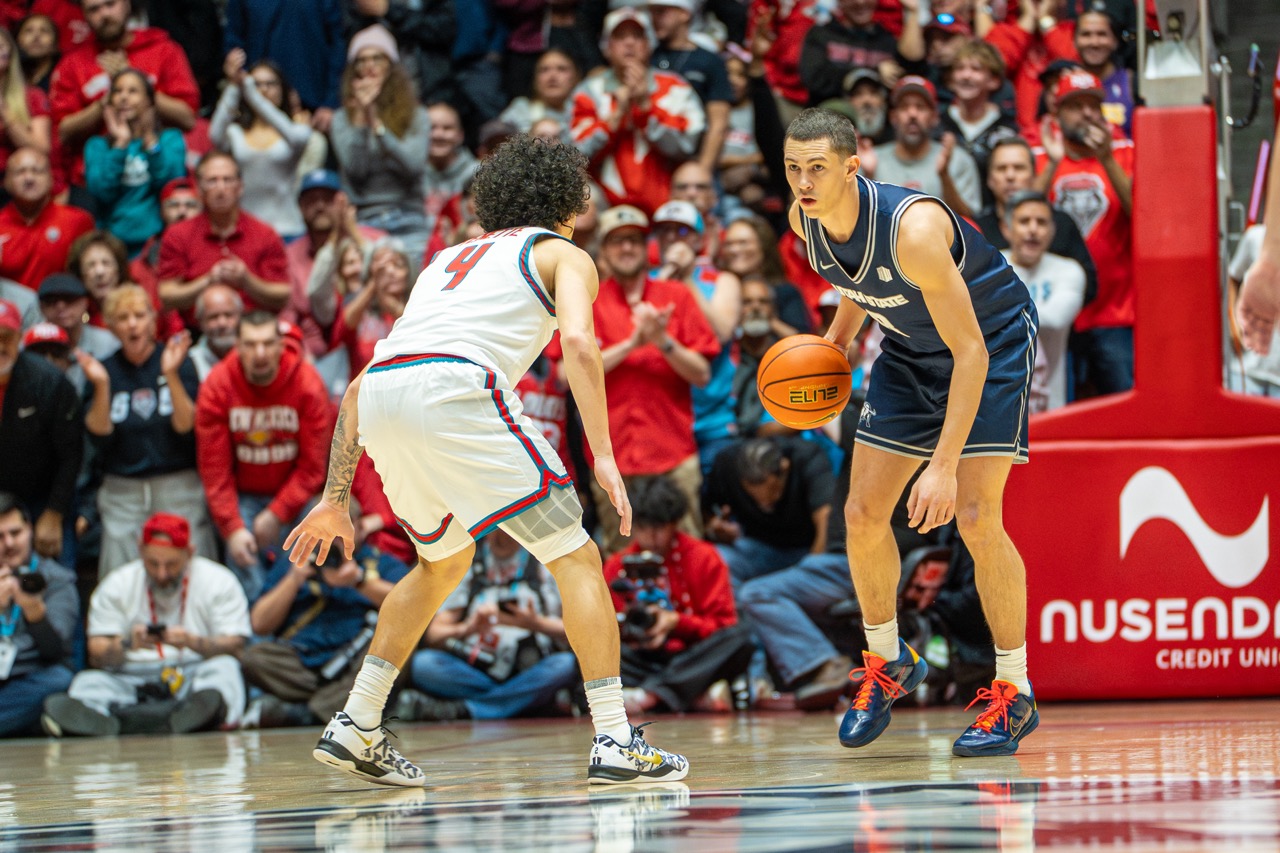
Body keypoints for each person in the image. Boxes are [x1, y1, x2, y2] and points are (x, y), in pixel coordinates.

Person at [283, 135, 688, 787]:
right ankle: (615, 736)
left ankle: (357, 721)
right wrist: (605, 455)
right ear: (571, 201)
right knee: (576, 554)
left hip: (383, 394)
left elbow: (362, 381)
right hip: (457, 389)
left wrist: (336, 495)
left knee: (441, 565)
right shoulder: (564, 254)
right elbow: (581, 345)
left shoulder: (444, 259)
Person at [783, 108, 1039, 756]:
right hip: (906, 346)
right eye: (792, 168)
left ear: (851, 167)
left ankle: (1015, 691)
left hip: (991, 342)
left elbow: (972, 351)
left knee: (979, 517)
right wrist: (837, 343)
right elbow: (857, 279)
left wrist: (945, 464)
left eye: (817, 169)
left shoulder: (915, 229)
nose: (803, 182)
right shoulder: (803, 222)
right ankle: (889, 660)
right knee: (864, 512)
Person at [546, 204, 718, 554]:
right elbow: (565, 376)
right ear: (604, 252)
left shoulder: (676, 296)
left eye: (635, 241)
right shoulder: (586, 301)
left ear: (647, 247)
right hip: (612, 459)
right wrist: (632, 344)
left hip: (673, 455)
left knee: (687, 554)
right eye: (617, 241)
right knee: (620, 562)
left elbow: (702, 374)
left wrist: (661, 341)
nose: (626, 248)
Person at [40, 512, 250, 736]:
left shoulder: (218, 580)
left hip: (193, 673)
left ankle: (136, 720)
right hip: (132, 678)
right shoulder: (117, 583)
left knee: (225, 670)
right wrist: (129, 643)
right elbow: (96, 655)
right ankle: (161, 719)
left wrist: (192, 641)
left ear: (189, 552)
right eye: (153, 563)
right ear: (140, 550)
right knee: (87, 683)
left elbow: (237, 646)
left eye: (171, 564)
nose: (161, 573)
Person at [195, 311, 331, 600]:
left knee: (318, 516)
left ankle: (294, 616)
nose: (260, 353)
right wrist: (231, 528)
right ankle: (255, 630)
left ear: (281, 345)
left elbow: (313, 467)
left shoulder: (308, 384)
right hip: (243, 494)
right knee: (241, 548)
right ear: (238, 346)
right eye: (251, 344)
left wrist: (277, 512)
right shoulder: (217, 386)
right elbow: (214, 470)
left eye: (268, 343)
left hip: (296, 494)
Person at [79, 285, 214, 576]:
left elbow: (187, 427)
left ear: (153, 321)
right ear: (112, 326)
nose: (132, 324)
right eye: (123, 317)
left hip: (178, 485)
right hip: (123, 491)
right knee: (120, 575)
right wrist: (102, 387)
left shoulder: (179, 361)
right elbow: (99, 435)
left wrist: (171, 376)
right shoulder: (102, 371)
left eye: (139, 315)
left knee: (193, 569)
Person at [603, 476, 753, 716]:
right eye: (643, 527)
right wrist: (635, 631)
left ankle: (649, 696)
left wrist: (676, 622)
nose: (652, 537)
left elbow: (724, 623)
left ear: (674, 523)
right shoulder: (616, 566)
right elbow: (607, 631)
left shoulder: (704, 557)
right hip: (641, 657)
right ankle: (690, 695)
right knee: (587, 657)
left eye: (660, 527)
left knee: (741, 638)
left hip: (692, 654)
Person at [394, 529, 580, 724]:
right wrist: (468, 627)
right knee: (423, 664)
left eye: (508, 528)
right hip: (477, 670)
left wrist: (535, 624)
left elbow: (575, 633)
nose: (501, 535)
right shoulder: (468, 563)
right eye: (496, 527)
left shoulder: (543, 563)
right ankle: (518, 704)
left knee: (566, 665)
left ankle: (467, 710)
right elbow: (434, 634)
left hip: (530, 669)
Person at [242, 512, 408, 728]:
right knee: (253, 657)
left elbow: (410, 608)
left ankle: (309, 713)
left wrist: (359, 582)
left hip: (356, 664)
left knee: (399, 644)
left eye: (343, 529)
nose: (336, 538)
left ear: (361, 528)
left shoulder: (380, 563)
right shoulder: (296, 561)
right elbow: (259, 624)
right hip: (302, 664)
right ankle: (331, 707)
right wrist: (293, 579)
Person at [1034, 69, 1134, 397]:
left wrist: (1106, 160)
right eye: (1076, 105)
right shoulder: (1039, 155)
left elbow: (1141, 213)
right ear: (1057, 114)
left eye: (1094, 104)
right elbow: (1022, 218)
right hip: (1053, 311)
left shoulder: (1123, 151)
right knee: (1056, 410)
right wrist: (1051, 163)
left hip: (1115, 312)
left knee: (1123, 405)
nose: (1088, 112)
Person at [48, 0, 198, 192]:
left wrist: (132, 78)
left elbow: (187, 118)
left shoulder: (164, 50)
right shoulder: (72, 63)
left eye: (110, 4)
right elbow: (63, 133)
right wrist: (105, 101)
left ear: (127, 4)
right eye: (94, 9)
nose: (104, 14)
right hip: (96, 180)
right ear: (84, 15)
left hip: (158, 174)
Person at [570, 7, 705, 216]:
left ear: (650, 44)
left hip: (668, 211)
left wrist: (645, 108)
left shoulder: (675, 87)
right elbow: (574, 155)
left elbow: (686, 146)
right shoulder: (589, 91)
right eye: (620, 37)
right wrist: (614, 118)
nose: (630, 43)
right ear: (606, 47)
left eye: (637, 36)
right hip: (603, 213)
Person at [329, 26, 431, 272]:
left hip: (410, 217)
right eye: (361, 60)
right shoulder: (341, 119)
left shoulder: (416, 115)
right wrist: (363, 120)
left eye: (377, 57)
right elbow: (355, 171)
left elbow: (413, 166)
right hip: (365, 220)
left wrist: (378, 126)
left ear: (391, 66)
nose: (369, 66)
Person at [156, 151, 292, 316]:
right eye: (212, 181)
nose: (221, 189)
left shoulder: (265, 233)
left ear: (240, 187)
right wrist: (208, 281)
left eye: (227, 180)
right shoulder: (178, 234)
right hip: (199, 329)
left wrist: (247, 281)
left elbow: (283, 294)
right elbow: (167, 295)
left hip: (251, 327)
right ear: (198, 189)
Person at [0, 297, 82, 561]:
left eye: (6, 337)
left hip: (42, 496)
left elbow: (71, 454)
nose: (0, 346)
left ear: (19, 338)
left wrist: (54, 512)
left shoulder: (49, 381)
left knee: (54, 578)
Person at [703, 436, 835, 588]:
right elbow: (708, 514)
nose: (764, 503)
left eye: (773, 492)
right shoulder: (726, 463)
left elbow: (825, 518)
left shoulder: (806, 457)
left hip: (806, 548)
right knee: (717, 558)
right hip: (759, 546)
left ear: (785, 468)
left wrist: (807, 575)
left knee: (757, 593)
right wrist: (717, 529)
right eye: (754, 497)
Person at [209, 52, 314, 241]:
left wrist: (249, 91)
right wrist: (234, 85)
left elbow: (295, 137)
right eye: (256, 84)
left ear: (282, 89)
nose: (263, 90)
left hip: (288, 229)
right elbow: (214, 134)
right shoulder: (236, 132)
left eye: (271, 84)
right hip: (246, 229)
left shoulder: (296, 129)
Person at [83, 68, 187, 255]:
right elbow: (100, 191)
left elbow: (172, 186)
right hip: (112, 245)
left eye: (133, 91)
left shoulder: (170, 139)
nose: (124, 97)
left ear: (149, 101)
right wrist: (121, 144)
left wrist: (150, 142)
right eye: (118, 91)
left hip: (158, 243)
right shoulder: (97, 145)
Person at [0, 491, 78, 737]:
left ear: (30, 530)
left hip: (30, 676)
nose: (9, 544)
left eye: (15, 533)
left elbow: (56, 651)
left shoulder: (57, 579)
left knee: (59, 680)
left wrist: (35, 614)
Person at [999, 190, 1085, 413]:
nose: (1033, 229)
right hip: (999, 399)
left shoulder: (1069, 270)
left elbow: (1056, 319)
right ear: (1006, 229)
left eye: (1041, 222)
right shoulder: (989, 267)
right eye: (1024, 221)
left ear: (1052, 231)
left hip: (1051, 403)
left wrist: (1000, 311)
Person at [870, 76, 982, 219]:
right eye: (904, 107)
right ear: (893, 117)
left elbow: (969, 223)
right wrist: (868, 176)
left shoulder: (957, 160)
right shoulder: (872, 160)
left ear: (935, 117)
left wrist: (944, 175)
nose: (912, 114)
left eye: (920, 107)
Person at [0, 147, 94, 289]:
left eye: (37, 171)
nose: (29, 178)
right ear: (5, 182)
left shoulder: (77, 221)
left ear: (51, 179)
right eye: (20, 172)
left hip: (61, 307)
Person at [0, 27, 52, 184]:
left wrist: (4, 113)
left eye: (1, 47)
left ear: (8, 57)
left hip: (16, 183)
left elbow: (41, 150)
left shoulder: (32, 96)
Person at [188, 284, 242, 380]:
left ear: (240, 317)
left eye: (228, 315)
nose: (222, 323)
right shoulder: (189, 362)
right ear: (200, 321)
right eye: (213, 317)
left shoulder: (254, 357)